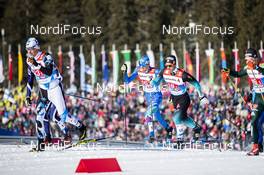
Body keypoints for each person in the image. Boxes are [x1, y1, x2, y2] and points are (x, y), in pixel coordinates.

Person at [25, 37, 86, 150]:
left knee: (62, 116)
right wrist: (28, 95)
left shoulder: (46, 57)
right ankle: (40, 144)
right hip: (43, 91)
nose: (29, 52)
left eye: (31, 49)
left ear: (36, 48)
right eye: (27, 49)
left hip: (54, 89)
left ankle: (81, 126)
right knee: (39, 116)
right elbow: (30, 78)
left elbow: (48, 72)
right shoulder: (29, 61)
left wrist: (36, 64)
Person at [151, 55, 209, 143]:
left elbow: (196, 83)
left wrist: (201, 96)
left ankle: (180, 139)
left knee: (176, 117)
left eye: (170, 66)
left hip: (183, 98)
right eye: (166, 66)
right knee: (182, 118)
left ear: (174, 64)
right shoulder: (164, 71)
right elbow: (156, 81)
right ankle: (196, 128)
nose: (168, 68)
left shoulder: (182, 74)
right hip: (174, 98)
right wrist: (151, 83)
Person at [121, 55, 173, 142]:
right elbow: (127, 81)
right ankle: (168, 129)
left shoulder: (155, 71)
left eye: (146, 66)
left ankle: (151, 135)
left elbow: (168, 80)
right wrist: (124, 72)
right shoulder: (138, 70)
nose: (144, 68)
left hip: (156, 95)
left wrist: (172, 92)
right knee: (157, 116)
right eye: (143, 66)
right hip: (148, 96)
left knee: (148, 114)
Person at [222, 48, 264, 156]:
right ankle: (256, 147)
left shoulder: (262, 65)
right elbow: (238, 74)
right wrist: (228, 71)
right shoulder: (248, 68)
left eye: (249, 59)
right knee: (254, 122)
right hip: (258, 99)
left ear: (255, 58)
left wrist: (257, 68)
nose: (247, 61)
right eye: (246, 59)